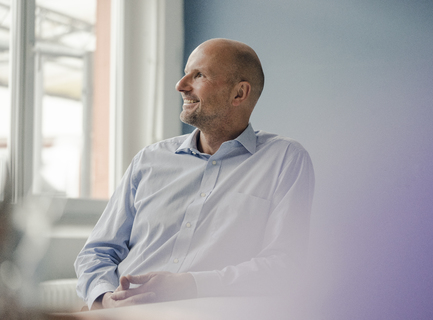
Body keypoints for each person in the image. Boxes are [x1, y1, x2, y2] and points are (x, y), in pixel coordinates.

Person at [74, 38, 315, 310]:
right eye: (186, 73)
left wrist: (191, 284)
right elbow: (97, 252)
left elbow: (284, 267)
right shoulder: (149, 160)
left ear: (239, 94)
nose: (181, 85)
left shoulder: (284, 159)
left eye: (198, 75)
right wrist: (103, 298)